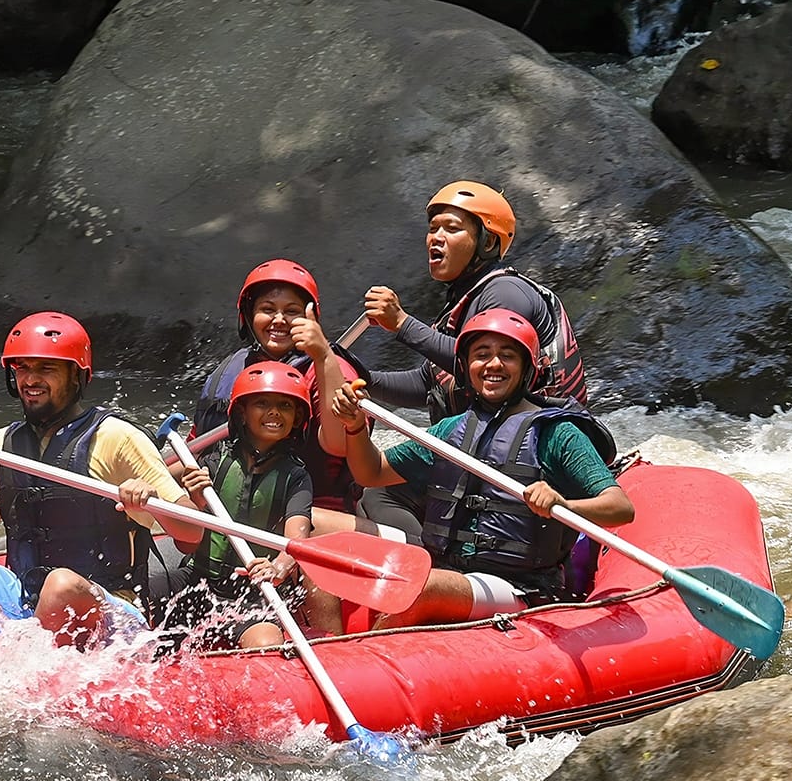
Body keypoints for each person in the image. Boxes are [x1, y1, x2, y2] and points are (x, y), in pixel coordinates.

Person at [0, 311, 204, 649]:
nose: (31, 379)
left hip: (110, 609)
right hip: (24, 600)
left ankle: (23, 684)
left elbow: (191, 533)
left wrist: (151, 503)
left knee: (59, 586)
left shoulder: (117, 436)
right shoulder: (5, 443)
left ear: (77, 376)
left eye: (46, 368)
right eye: (23, 368)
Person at [330, 309, 631, 629]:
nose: (494, 364)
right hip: (447, 568)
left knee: (425, 589)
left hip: (521, 587)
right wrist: (354, 428)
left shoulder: (557, 433)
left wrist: (562, 504)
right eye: (482, 355)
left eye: (507, 355)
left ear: (528, 368)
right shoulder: (451, 430)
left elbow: (621, 508)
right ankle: (323, 648)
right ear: (466, 367)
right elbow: (372, 473)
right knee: (330, 554)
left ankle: (362, 658)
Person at [356, 181, 590, 541]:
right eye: (433, 228)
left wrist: (402, 324)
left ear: (488, 242)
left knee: (381, 495)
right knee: (376, 492)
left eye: (451, 228)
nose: (435, 237)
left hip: (529, 454)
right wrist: (362, 379)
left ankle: (435, 565)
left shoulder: (505, 294)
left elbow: (484, 370)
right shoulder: (463, 301)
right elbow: (428, 385)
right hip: (484, 446)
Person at [189, 259, 369, 522]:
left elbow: (339, 443)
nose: (279, 320)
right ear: (248, 316)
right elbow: (195, 447)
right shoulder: (229, 371)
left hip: (317, 513)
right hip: (235, 500)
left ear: (311, 318)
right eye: (267, 309)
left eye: (292, 311)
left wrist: (323, 357)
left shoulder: (332, 368)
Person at [159, 361, 315, 652]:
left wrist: (278, 567)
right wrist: (194, 501)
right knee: (129, 603)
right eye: (262, 403)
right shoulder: (211, 460)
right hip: (197, 578)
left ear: (297, 418)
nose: (274, 412)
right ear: (242, 413)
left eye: (285, 405)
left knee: (266, 646)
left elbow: (297, 538)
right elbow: (183, 537)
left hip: (253, 590)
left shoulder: (296, 476)